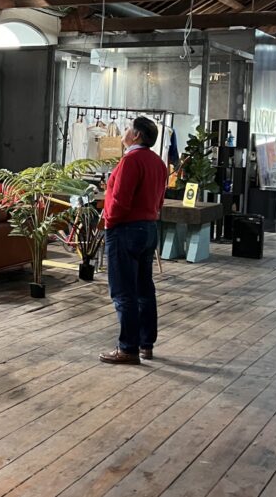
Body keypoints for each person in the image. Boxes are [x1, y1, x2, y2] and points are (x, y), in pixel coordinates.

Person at [99, 116, 168, 365]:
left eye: (128, 128)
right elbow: (159, 199)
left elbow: (120, 199)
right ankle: (145, 344)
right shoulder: (159, 163)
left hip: (125, 229)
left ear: (136, 135)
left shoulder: (131, 160)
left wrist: (109, 220)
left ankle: (128, 348)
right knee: (144, 288)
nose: (125, 131)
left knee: (123, 291)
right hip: (149, 228)